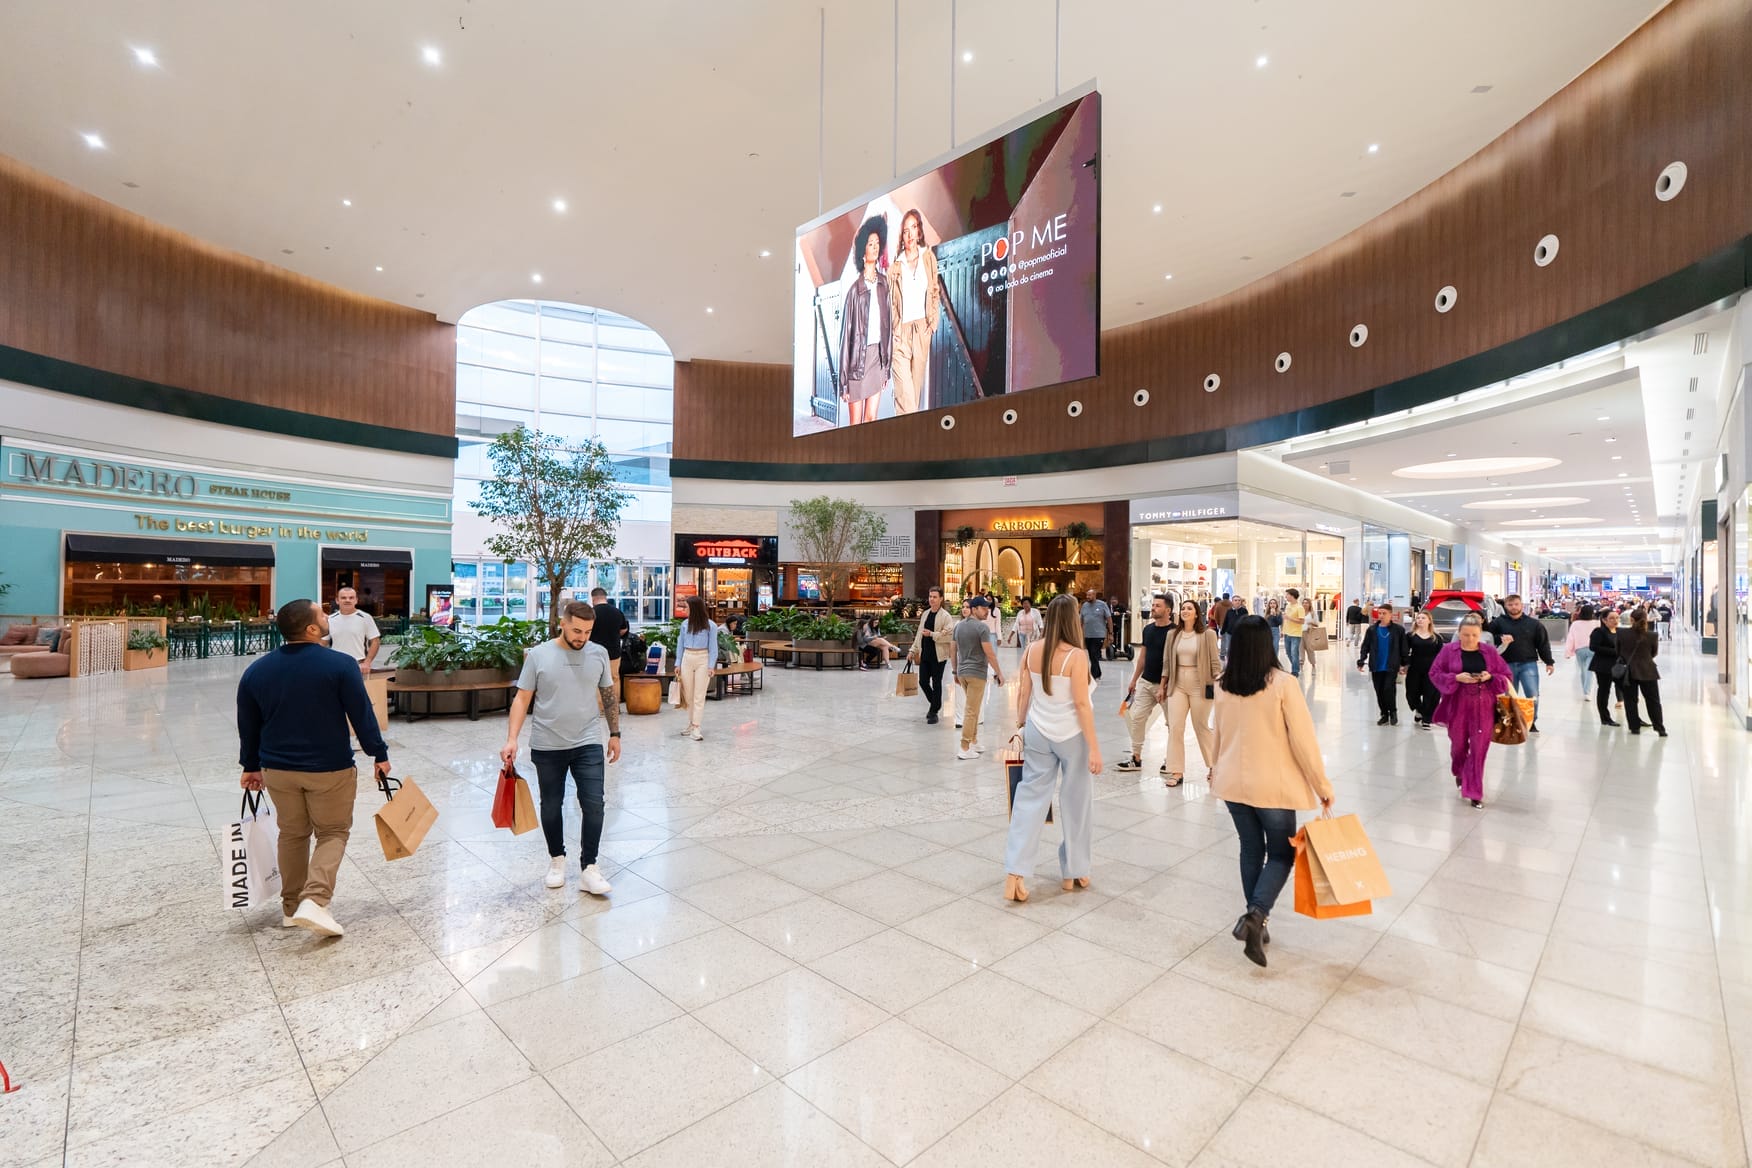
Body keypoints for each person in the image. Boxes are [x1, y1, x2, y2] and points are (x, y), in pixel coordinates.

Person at [238, 598, 392, 938]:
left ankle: (291, 908)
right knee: (333, 832)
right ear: (311, 629)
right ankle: (315, 899)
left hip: (277, 769)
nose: (327, 617)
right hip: (329, 768)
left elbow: (247, 724)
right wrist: (378, 753)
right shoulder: (339, 665)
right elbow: (361, 714)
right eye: (322, 614)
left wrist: (251, 765)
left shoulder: (256, 671)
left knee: (292, 834)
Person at [1209, 615, 1333, 967]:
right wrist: (1322, 786)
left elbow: (1217, 734)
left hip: (1232, 781)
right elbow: (1304, 741)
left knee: (1251, 848)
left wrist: (1215, 769)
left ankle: (1255, 923)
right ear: (1268, 644)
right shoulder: (1283, 683)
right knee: (1281, 854)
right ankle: (1256, 914)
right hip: (1273, 786)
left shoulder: (1222, 684)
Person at [500, 600, 620, 895]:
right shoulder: (539, 655)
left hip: (588, 740)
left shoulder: (599, 654)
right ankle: (557, 859)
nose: (582, 637)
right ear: (562, 623)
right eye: (577, 630)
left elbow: (608, 694)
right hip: (547, 743)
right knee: (551, 806)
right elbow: (522, 699)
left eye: (587, 632)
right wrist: (512, 738)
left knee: (594, 804)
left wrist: (615, 733)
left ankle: (589, 867)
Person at [1003, 595, 1101, 903]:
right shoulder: (1077, 656)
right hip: (1072, 735)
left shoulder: (1032, 650)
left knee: (1029, 800)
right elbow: (1082, 705)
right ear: (1074, 619)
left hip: (1038, 732)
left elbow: (1023, 694)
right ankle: (1074, 871)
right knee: (1076, 802)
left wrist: (1019, 725)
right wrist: (1095, 748)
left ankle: (1015, 873)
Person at [1428, 614, 1511, 808]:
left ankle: (1474, 791)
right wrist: (1456, 678)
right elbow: (1435, 673)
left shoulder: (1489, 652)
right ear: (1459, 633)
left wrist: (1490, 677)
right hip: (1458, 703)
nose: (1470, 639)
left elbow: (1506, 675)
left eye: (1474, 635)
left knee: (1479, 748)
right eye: (1466, 635)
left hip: (1484, 705)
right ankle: (1460, 770)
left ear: (1480, 634)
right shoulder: (1448, 651)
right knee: (1458, 746)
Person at [838, 216, 893, 426]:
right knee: (856, 425)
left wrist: (886, 366)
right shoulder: (854, 291)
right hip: (856, 363)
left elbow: (888, 327)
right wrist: (844, 383)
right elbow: (846, 340)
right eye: (870, 244)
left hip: (877, 359)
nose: (874, 247)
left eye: (877, 243)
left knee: (871, 420)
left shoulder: (884, 284)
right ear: (863, 251)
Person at [1160, 598, 1221, 787]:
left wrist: (1218, 684)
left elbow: (1214, 662)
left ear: (1196, 613)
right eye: (1183, 608)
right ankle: (1176, 771)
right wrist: (1162, 685)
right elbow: (1167, 663)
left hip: (1200, 683)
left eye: (1189, 608)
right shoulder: (1172, 635)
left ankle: (1214, 766)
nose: (1185, 611)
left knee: (1200, 726)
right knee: (1175, 727)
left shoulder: (1208, 635)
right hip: (1177, 684)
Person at [887, 208, 939, 414]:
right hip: (900, 334)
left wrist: (932, 323)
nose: (910, 235)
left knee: (913, 396)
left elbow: (934, 290)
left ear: (919, 231)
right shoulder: (896, 266)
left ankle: (904, 440)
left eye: (913, 228)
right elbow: (890, 303)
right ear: (902, 234)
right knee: (904, 395)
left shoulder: (929, 258)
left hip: (922, 331)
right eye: (906, 230)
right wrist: (894, 331)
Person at [1117, 594, 1171, 774]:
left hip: (1168, 685)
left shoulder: (1175, 632)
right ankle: (1136, 757)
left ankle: (1171, 759)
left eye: (1158, 606)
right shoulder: (1148, 630)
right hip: (1147, 682)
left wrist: (1164, 685)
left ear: (1168, 610)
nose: (1153, 608)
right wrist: (1134, 680)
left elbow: (1172, 660)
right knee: (1137, 718)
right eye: (1153, 605)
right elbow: (1142, 657)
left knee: (1172, 723)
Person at [1487, 594, 1555, 732]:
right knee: (1508, 695)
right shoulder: (1498, 623)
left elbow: (1542, 644)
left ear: (1521, 605)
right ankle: (1509, 721)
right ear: (1505, 606)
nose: (1513, 607)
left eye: (1516, 604)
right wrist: (1500, 638)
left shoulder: (1533, 624)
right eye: (1510, 605)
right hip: (1505, 665)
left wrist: (1549, 661)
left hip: (1528, 664)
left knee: (1532, 693)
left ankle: (1531, 721)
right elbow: (1488, 638)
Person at [954, 596, 1005, 760]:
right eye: (983, 608)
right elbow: (989, 653)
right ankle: (964, 746)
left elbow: (952, 650)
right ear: (974, 609)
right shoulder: (982, 628)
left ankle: (974, 741)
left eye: (988, 608)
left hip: (962, 672)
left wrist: (955, 671)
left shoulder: (959, 626)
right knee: (971, 710)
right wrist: (999, 673)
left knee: (973, 708)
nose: (987, 611)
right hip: (976, 673)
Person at [674, 596, 719, 741]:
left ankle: (696, 727)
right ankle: (691, 723)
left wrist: (711, 666)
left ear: (694, 608)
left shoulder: (711, 626)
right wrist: (678, 663)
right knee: (688, 695)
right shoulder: (684, 625)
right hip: (687, 657)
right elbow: (680, 644)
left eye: (686, 607)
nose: (684, 610)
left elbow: (713, 648)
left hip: (703, 659)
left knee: (699, 696)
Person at [1617, 609, 1667, 736]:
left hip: (1628, 672)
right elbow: (1653, 653)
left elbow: (1618, 651)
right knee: (1653, 700)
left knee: (1630, 700)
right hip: (1648, 670)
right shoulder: (1652, 635)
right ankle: (1660, 728)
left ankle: (1634, 727)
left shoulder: (1621, 633)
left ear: (1631, 619)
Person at [1357, 605, 1409, 726]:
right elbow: (1365, 646)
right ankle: (1384, 713)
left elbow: (1403, 648)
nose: (1381, 615)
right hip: (1376, 665)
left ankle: (1393, 712)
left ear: (1391, 614)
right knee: (1379, 690)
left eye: (1384, 613)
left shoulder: (1398, 630)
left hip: (1391, 665)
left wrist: (1404, 664)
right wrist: (1361, 660)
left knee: (1388, 689)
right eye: (1379, 613)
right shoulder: (1372, 630)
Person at [909, 587, 954, 724]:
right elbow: (919, 634)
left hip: (938, 655)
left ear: (941, 599)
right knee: (923, 681)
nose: (931, 599)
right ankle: (936, 704)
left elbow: (948, 635)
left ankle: (933, 711)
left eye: (935, 597)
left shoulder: (945, 616)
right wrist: (912, 650)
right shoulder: (925, 614)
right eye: (930, 596)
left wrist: (932, 634)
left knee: (936, 682)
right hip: (925, 654)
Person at [589, 586, 630, 708]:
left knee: (596, 680)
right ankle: (613, 706)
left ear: (593, 598)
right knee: (614, 678)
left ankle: (600, 707)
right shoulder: (617, 612)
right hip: (614, 652)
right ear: (605, 597)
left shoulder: (591, 613)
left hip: (594, 652)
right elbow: (624, 630)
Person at [326, 586, 381, 676]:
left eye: (351, 598)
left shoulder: (365, 618)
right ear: (337, 600)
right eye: (343, 598)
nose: (347, 600)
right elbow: (322, 643)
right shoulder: (330, 619)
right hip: (335, 665)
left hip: (358, 665)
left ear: (356, 600)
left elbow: (375, 641)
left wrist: (367, 662)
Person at [1403, 611, 1443, 728]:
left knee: (1430, 694)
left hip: (1431, 670)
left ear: (1429, 621)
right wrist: (1404, 664)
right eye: (1418, 618)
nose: (1420, 620)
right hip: (1415, 668)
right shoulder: (1410, 636)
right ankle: (1419, 710)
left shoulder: (1436, 637)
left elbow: (1440, 656)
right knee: (1412, 693)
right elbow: (1405, 652)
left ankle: (1427, 718)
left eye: (1423, 618)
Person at [1563, 604, 1600, 701]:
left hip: (1579, 650)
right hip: (1593, 649)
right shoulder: (1597, 623)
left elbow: (1570, 638)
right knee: (1589, 670)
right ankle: (1587, 691)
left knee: (1583, 670)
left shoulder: (1576, 624)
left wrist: (1568, 652)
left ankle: (1586, 691)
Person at [1079, 589, 1112, 680]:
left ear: (1094, 595)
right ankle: (1098, 673)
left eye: (1089, 595)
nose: (1087, 597)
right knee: (1091, 655)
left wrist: (1110, 633)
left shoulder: (1102, 605)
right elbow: (1080, 620)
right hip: (1087, 634)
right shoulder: (1084, 606)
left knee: (1094, 653)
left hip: (1099, 634)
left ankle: (1093, 675)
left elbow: (1109, 619)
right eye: (1087, 595)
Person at [1281, 588, 1308, 677]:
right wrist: (1282, 630)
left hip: (1295, 634)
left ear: (1292, 596)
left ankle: (1295, 671)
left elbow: (1302, 621)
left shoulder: (1299, 608)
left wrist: (1289, 618)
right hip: (1287, 633)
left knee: (1294, 652)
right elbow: (1285, 619)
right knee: (1288, 652)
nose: (1286, 596)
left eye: (1287, 595)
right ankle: (1296, 666)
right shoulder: (1288, 606)